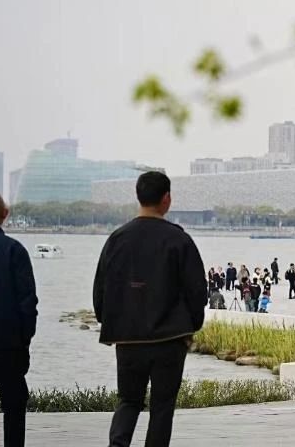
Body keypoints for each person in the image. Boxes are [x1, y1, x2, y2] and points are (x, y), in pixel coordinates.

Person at [92, 171, 206, 447]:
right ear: (166, 199)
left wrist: (111, 323)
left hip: (128, 340)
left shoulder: (117, 239)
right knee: (162, 407)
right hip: (169, 339)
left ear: (138, 196)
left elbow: (100, 290)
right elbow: (197, 291)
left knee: (128, 401)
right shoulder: (179, 240)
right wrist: (191, 327)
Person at [0, 192, 37, 447]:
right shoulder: (14, 250)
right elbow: (28, 302)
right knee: (14, 406)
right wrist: (24, 339)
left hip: (9, 343)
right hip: (8, 345)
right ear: (5, 214)